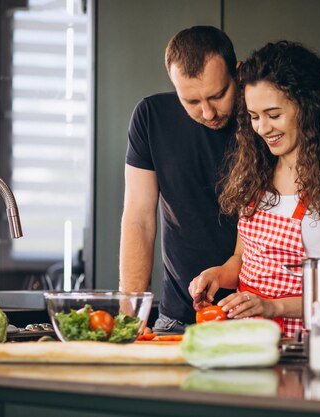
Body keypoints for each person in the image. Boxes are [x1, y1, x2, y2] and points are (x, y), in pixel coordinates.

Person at [189, 41, 320, 338]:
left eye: (274, 115)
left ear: (309, 108)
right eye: (254, 116)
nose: (262, 128)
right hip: (249, 344)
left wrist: (273, 307)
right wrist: (217, 275)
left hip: (307, 348)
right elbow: (242, 259)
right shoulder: (255, 173)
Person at [119, 26, 239, 333]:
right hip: (176, 320)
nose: (209, 113)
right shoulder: (151, 117)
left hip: (256, 319)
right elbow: (139, 219)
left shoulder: (262, 120)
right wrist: (130, 318)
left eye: (218, 95)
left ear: (237, 73)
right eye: (192, 102)